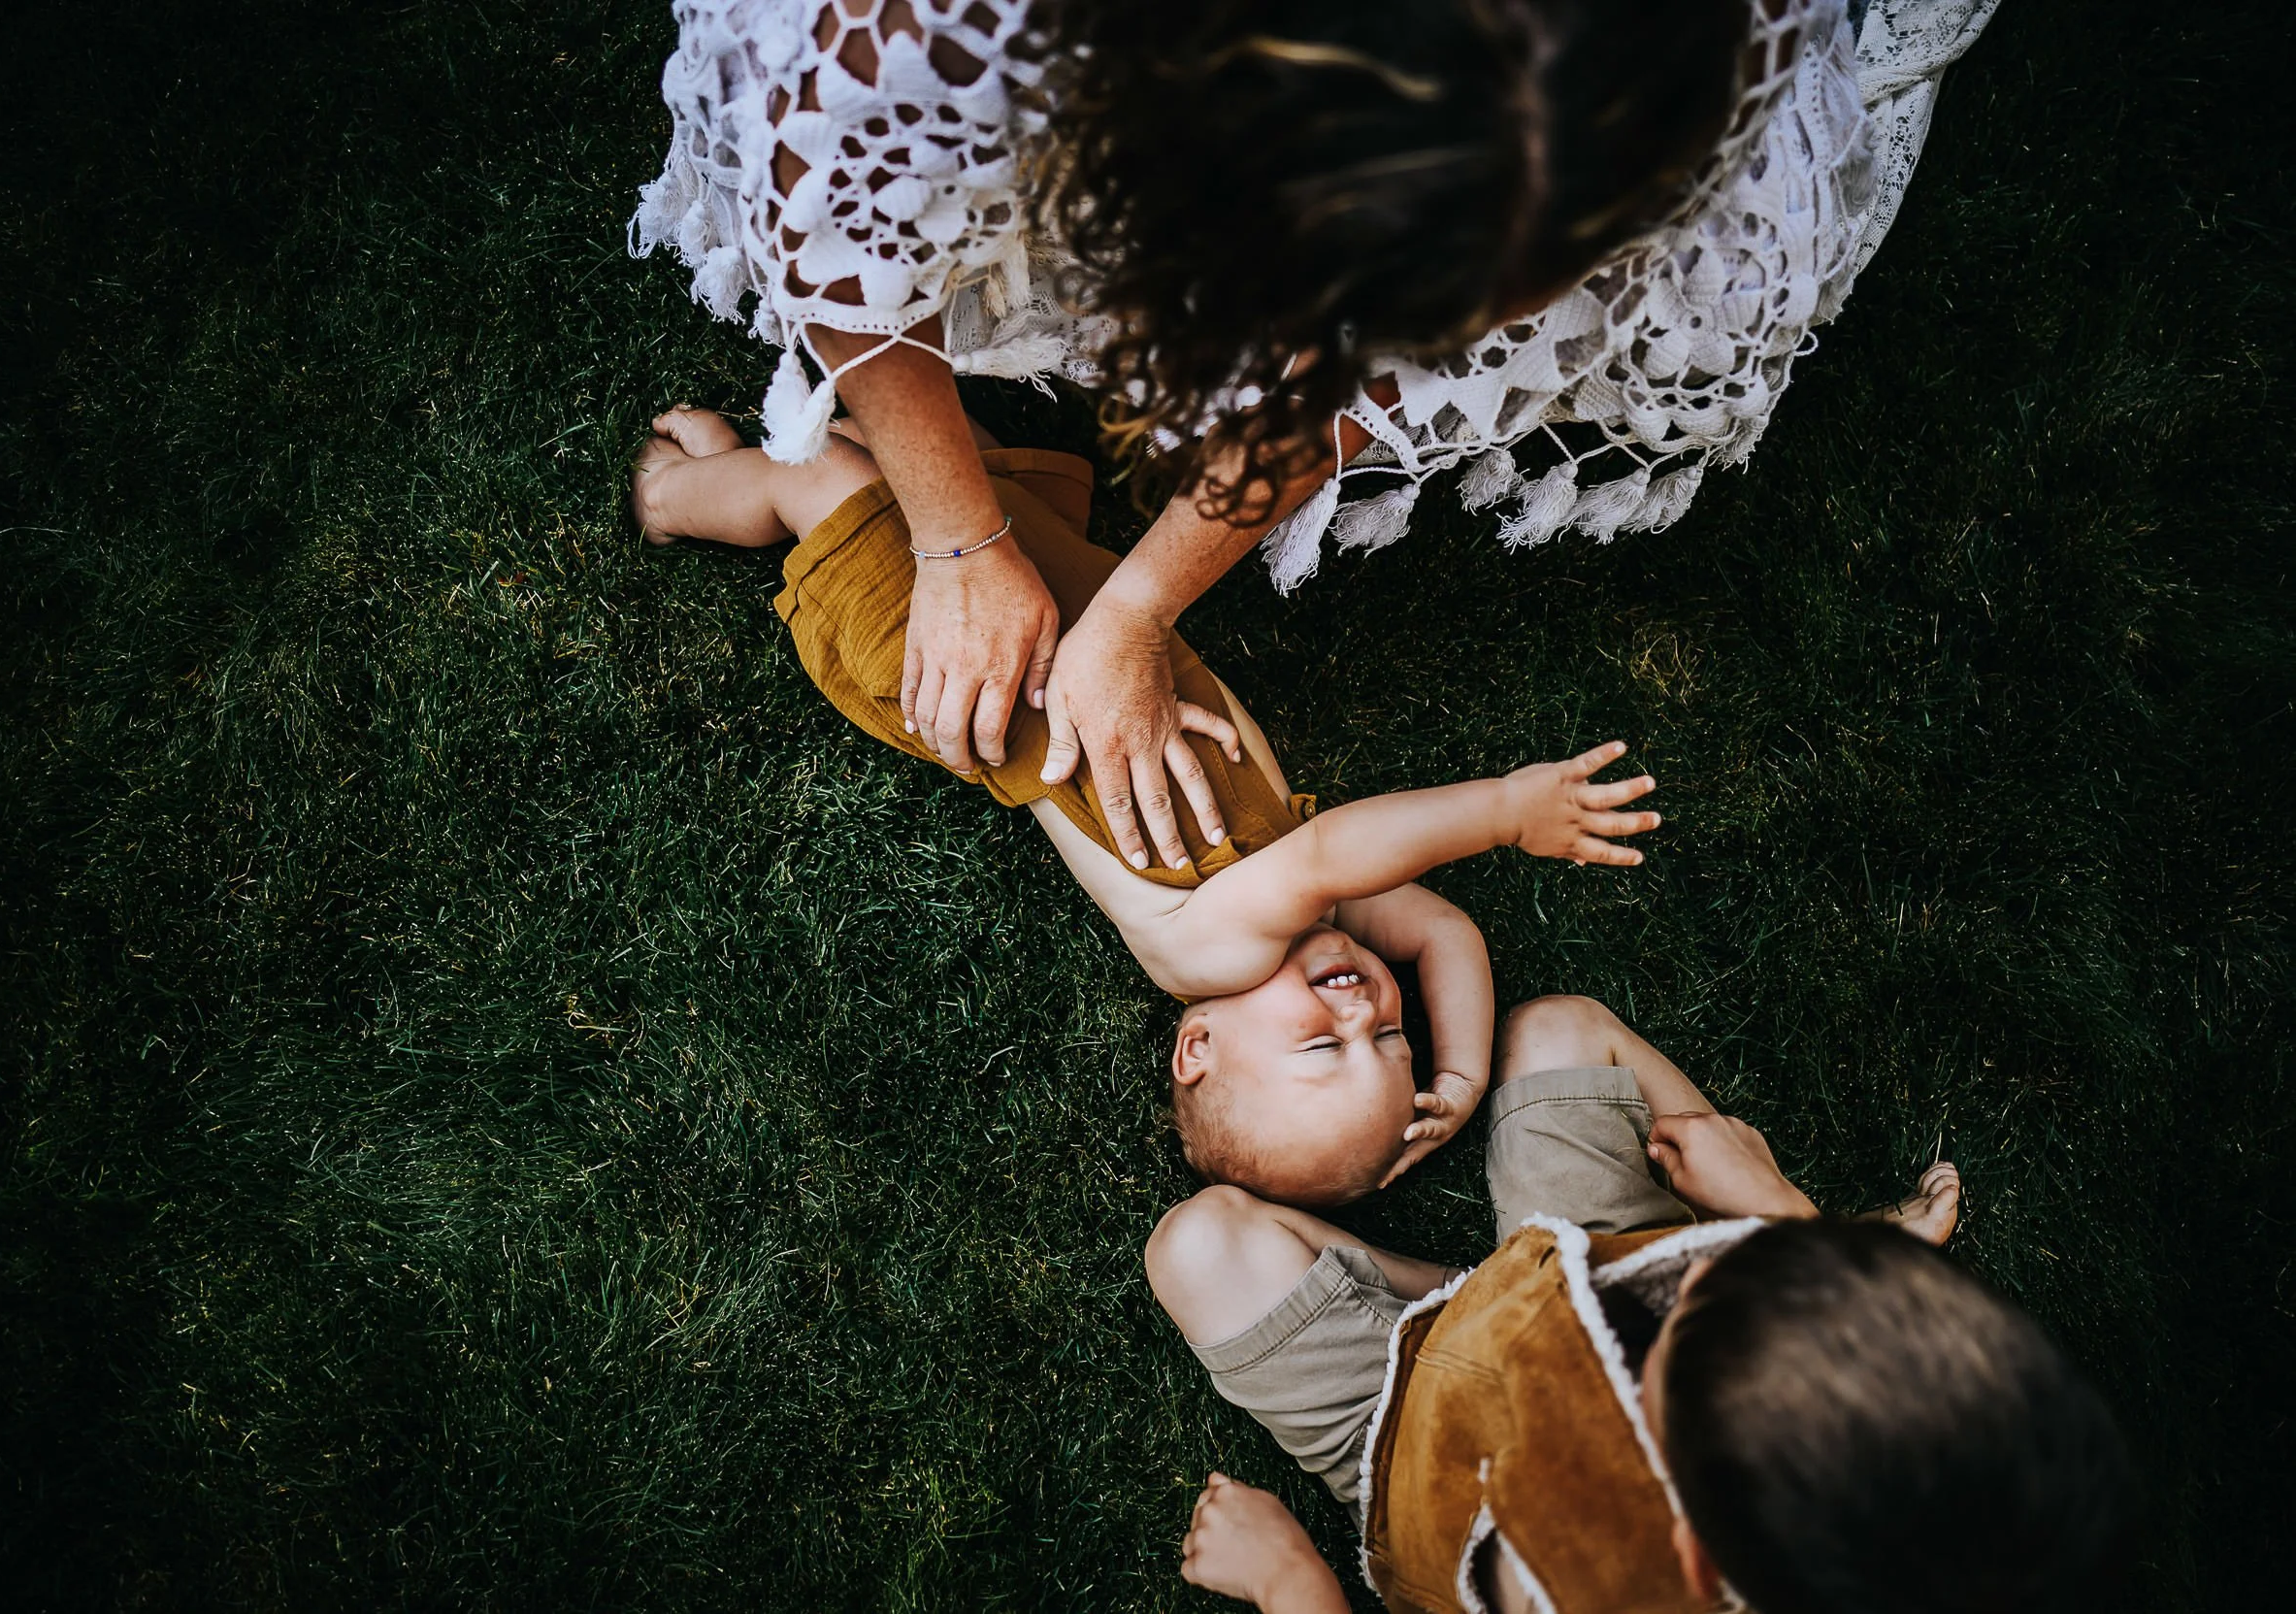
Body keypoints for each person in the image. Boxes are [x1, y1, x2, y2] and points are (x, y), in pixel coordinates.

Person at [629, 0, 2003, 873]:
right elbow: (840, 232)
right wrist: (965, 537)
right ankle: (717, 491)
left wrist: (1115, 611)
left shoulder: (1216, 937)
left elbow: (1338, 366)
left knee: (843, 502)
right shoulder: (928, 45)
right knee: (849, 459)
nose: (1358, 1021)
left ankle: (733, 491)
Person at [639, 406, 1659, 1202]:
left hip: (952, 669)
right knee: (974, 475)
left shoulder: (1215, 953)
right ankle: (843, 433)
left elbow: (1330, 852)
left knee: (825, 484)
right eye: (1392, 1042)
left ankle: (684, 491)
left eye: (1320, 1044)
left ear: (1199, 1047)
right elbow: (1444, 934)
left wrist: (1505, 811)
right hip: (1070, 617)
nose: (1363, 1012)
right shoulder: (1323, 934)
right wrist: (1465, 1074)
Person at [1141, 994, 2118, 1614]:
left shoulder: (1580, 1587)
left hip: (1402, 1451)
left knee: (1198, 1247)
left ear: (1694, 1554)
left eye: (1679, 1322)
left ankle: (1452, 1296)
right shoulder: (1812, 1417)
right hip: (1569, 1260)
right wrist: (1780, 1212)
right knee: (1559, 1031)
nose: (1702, 1275)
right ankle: (1856, 1245)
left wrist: (1287, 1579)